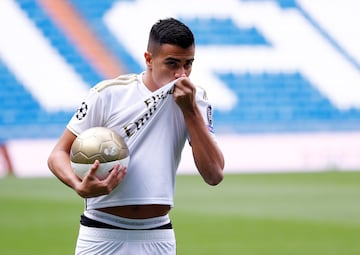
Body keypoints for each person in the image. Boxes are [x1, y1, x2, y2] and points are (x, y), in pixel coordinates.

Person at [48, 17, 224, 255]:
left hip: (157, 236)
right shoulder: (108, 94)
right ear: (149, 59)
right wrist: (79, 185)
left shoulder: (196, 99)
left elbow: (214, 174)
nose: (181, 75)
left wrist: (190, 111)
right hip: (101, 233)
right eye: (172, 63)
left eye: (188, 64)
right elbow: (58, 154)